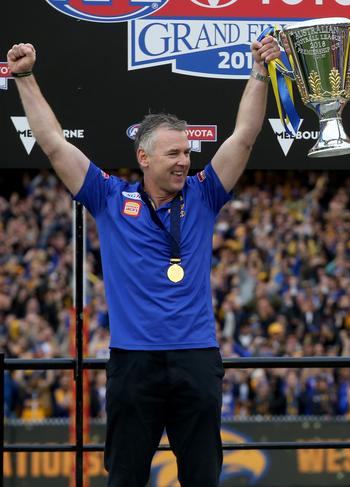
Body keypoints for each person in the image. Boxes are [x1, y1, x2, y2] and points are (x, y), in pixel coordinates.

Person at [7, 37, 280, 487]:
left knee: (202, 477)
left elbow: (244, 136)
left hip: (196, 360)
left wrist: (257, 73)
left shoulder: (205, 193)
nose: (184, 162)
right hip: (134, 363)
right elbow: (54, 144)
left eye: (188, 153)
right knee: (126, 478)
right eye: (173, 154)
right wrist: (25, 77)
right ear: (144, 157)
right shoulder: (109, 198)